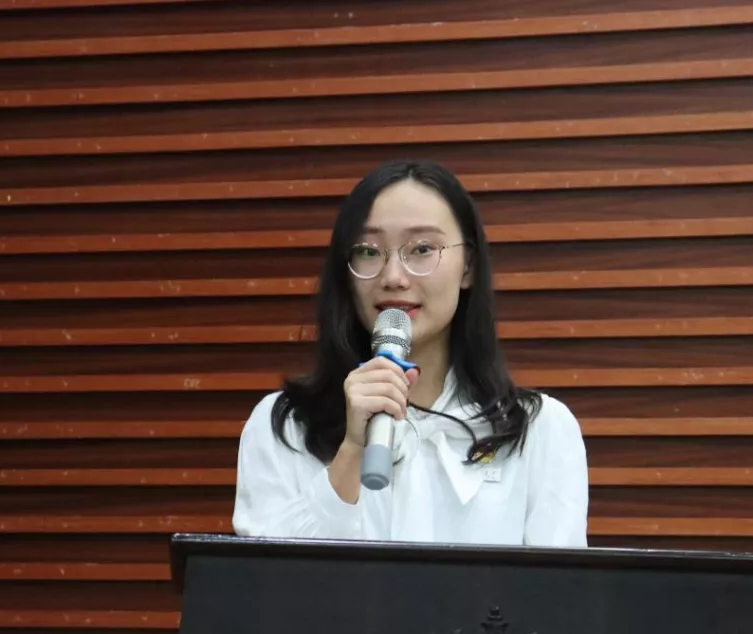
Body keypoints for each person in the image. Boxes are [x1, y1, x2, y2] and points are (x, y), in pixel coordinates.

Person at [232, 160, 588, 546]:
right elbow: (269, 578)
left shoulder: (541, 431)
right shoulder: (284, 427)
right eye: (368, 250)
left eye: (422, 249)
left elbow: (557, 584)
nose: (393, 277)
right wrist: (352, 451)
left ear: (468, 266)